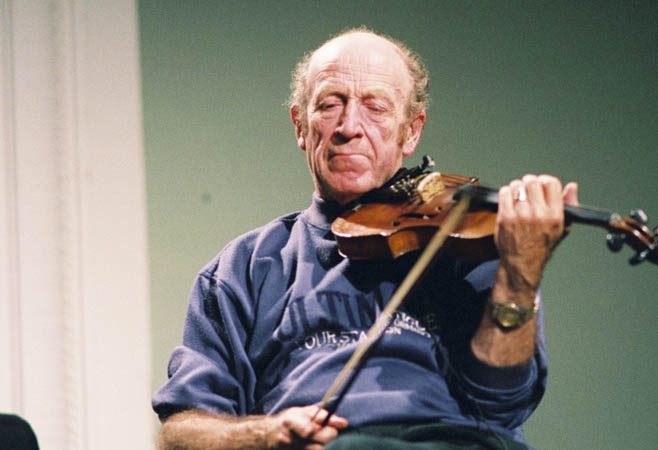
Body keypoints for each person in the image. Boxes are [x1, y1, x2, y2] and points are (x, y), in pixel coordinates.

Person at [152, 27, 579, 450]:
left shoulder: (463, 245)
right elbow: (180, 432)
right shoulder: (243, 269)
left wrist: (521, 274)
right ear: (300, 126)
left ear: (411, 132)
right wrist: (264, 433)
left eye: (375, 107)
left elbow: (503, 404)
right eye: (329, 105)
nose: (349, 126)